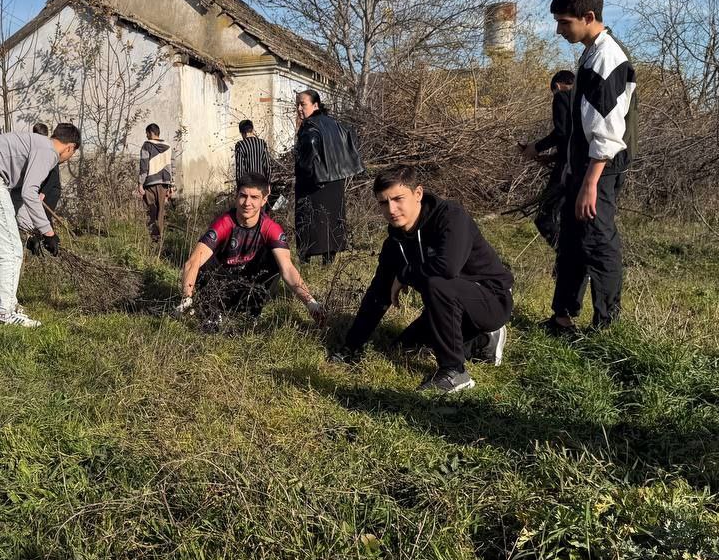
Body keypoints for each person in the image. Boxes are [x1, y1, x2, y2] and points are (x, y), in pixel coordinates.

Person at [335, 166, 513, 394]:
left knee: (436, 281)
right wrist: (351, 346)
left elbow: (448, 267)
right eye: (383, 202)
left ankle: (454, 372)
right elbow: (378, 294)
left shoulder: (450, 216)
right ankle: (483, 341)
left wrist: (404, 275)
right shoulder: (395, 242)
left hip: (491, 300)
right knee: (405, 347)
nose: (391, 209)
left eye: (398, 199)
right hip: (448, 308)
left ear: (418, 193)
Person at [544, 0, 636, 337]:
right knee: (571, 243)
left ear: (588, 16)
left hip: (600, 169)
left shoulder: (607, 58)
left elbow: (608, 130)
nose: (559, 30)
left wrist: (590, 183)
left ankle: (606, 328)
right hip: (583, 168)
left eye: (564, 22)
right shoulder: (591, 52)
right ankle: (562, 319)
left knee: (598, 243)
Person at [0, 122, 80, 327]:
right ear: (70, 147)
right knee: (11, 251)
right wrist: (48, 233)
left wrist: (33, 231)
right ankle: (6, 313)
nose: (68, 157)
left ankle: (5, 303)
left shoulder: (36, 145)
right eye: (72, 154)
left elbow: (18, 197)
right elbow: (29, 193)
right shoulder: (48, 151)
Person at [177, 172, 323, 327]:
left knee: (276, 258)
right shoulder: (224, 222)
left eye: (254, 197)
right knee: (203, 258)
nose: (247, 203)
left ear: (264, 200)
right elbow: (192, 262)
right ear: (236, 196)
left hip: (250, 291)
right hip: (220, 289)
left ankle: (252, 313)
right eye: (243, 196)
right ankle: (212, 313)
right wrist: (186, 298)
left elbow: (288, 269)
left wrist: (311, 303)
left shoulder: (271, 228)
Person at [293, 89, 363, 264]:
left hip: (313, 182)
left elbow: (311, 142)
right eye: (298, 104)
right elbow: (350, 135)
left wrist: (305, 167)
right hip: (336, 182)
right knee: (331, 220)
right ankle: (329, 261)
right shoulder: (335, 123)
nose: (299, 108)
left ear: (315, 105)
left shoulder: (309, 125)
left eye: (303, 104)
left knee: (307, 220)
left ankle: (305, 262)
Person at [518, 69, 574, 250]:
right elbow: (573, 139)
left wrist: (535, 148)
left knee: (545, 217)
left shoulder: (562, 96)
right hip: (584, 167)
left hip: (567, 167)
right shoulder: (585, 100)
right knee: (570, 217)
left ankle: (566, 256)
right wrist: (552, 157)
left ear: (556, 86)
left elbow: (561, 132)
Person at [24, 122, 62, 257]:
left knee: (44, 217)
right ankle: (39, 246)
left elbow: (54, 177)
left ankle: (52, 246)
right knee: (37, 217)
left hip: (51, 189)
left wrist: (43, 193)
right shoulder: (36, 147)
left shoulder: (48, 150)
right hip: (40, 190)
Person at [137, 123, 173, 242]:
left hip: (150, 183)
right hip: (164, 183)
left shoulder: (147, 145)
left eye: (147, 133)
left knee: (151, 211)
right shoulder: (168, 146)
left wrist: (140, 183)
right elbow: (170, 167)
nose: (146, 135)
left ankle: (153, 238)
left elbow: (144, 166)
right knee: (161, 212)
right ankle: (160, 238)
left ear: (151, 133)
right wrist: (171, 185)